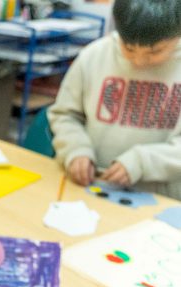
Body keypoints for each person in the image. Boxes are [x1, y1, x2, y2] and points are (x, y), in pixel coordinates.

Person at [49, 0, 181, 200]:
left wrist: (142, 162)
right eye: (128, 48)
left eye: (155, 51)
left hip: (161, 198)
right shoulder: (93, 56)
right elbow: (65, 114)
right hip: (92, 185)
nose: (138, 61)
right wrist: (75, 149)